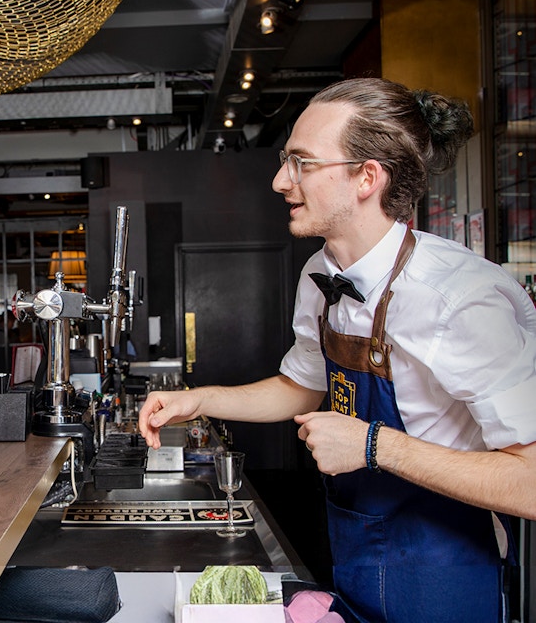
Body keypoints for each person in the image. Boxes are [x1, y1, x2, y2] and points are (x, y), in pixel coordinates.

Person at [138, 78, 536, 623]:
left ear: (366, 177)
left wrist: (374, 446)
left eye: (302, 162)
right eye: (285, 160)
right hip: (353, 562)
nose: (281, 181)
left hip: (444, 576)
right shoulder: (319, 274)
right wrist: (198, 399)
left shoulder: (459, 299)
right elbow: (300, 385)